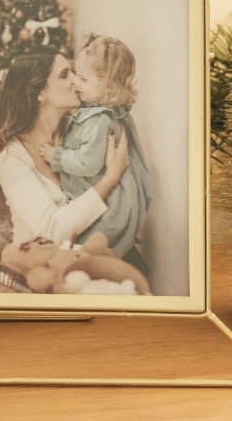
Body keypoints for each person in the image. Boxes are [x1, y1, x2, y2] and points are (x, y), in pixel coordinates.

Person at [0, 51, 130, 247]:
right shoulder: (11, 157)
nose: (76, 80)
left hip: (85, 253)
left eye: (73, 72)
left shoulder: (84, 130)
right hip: (35, 259)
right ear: (39, 93)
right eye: (64, 75)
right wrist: (112, 176)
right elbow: (52, 231)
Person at [39, 33, 152, 273]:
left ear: (108, 87)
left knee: (87, 248)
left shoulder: (99, 120)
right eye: (75, 74)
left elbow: (88, 164)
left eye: (83, 79)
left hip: (106, 205)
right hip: (101, 190)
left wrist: (57, 156)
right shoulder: (95, 110)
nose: (76, 83)